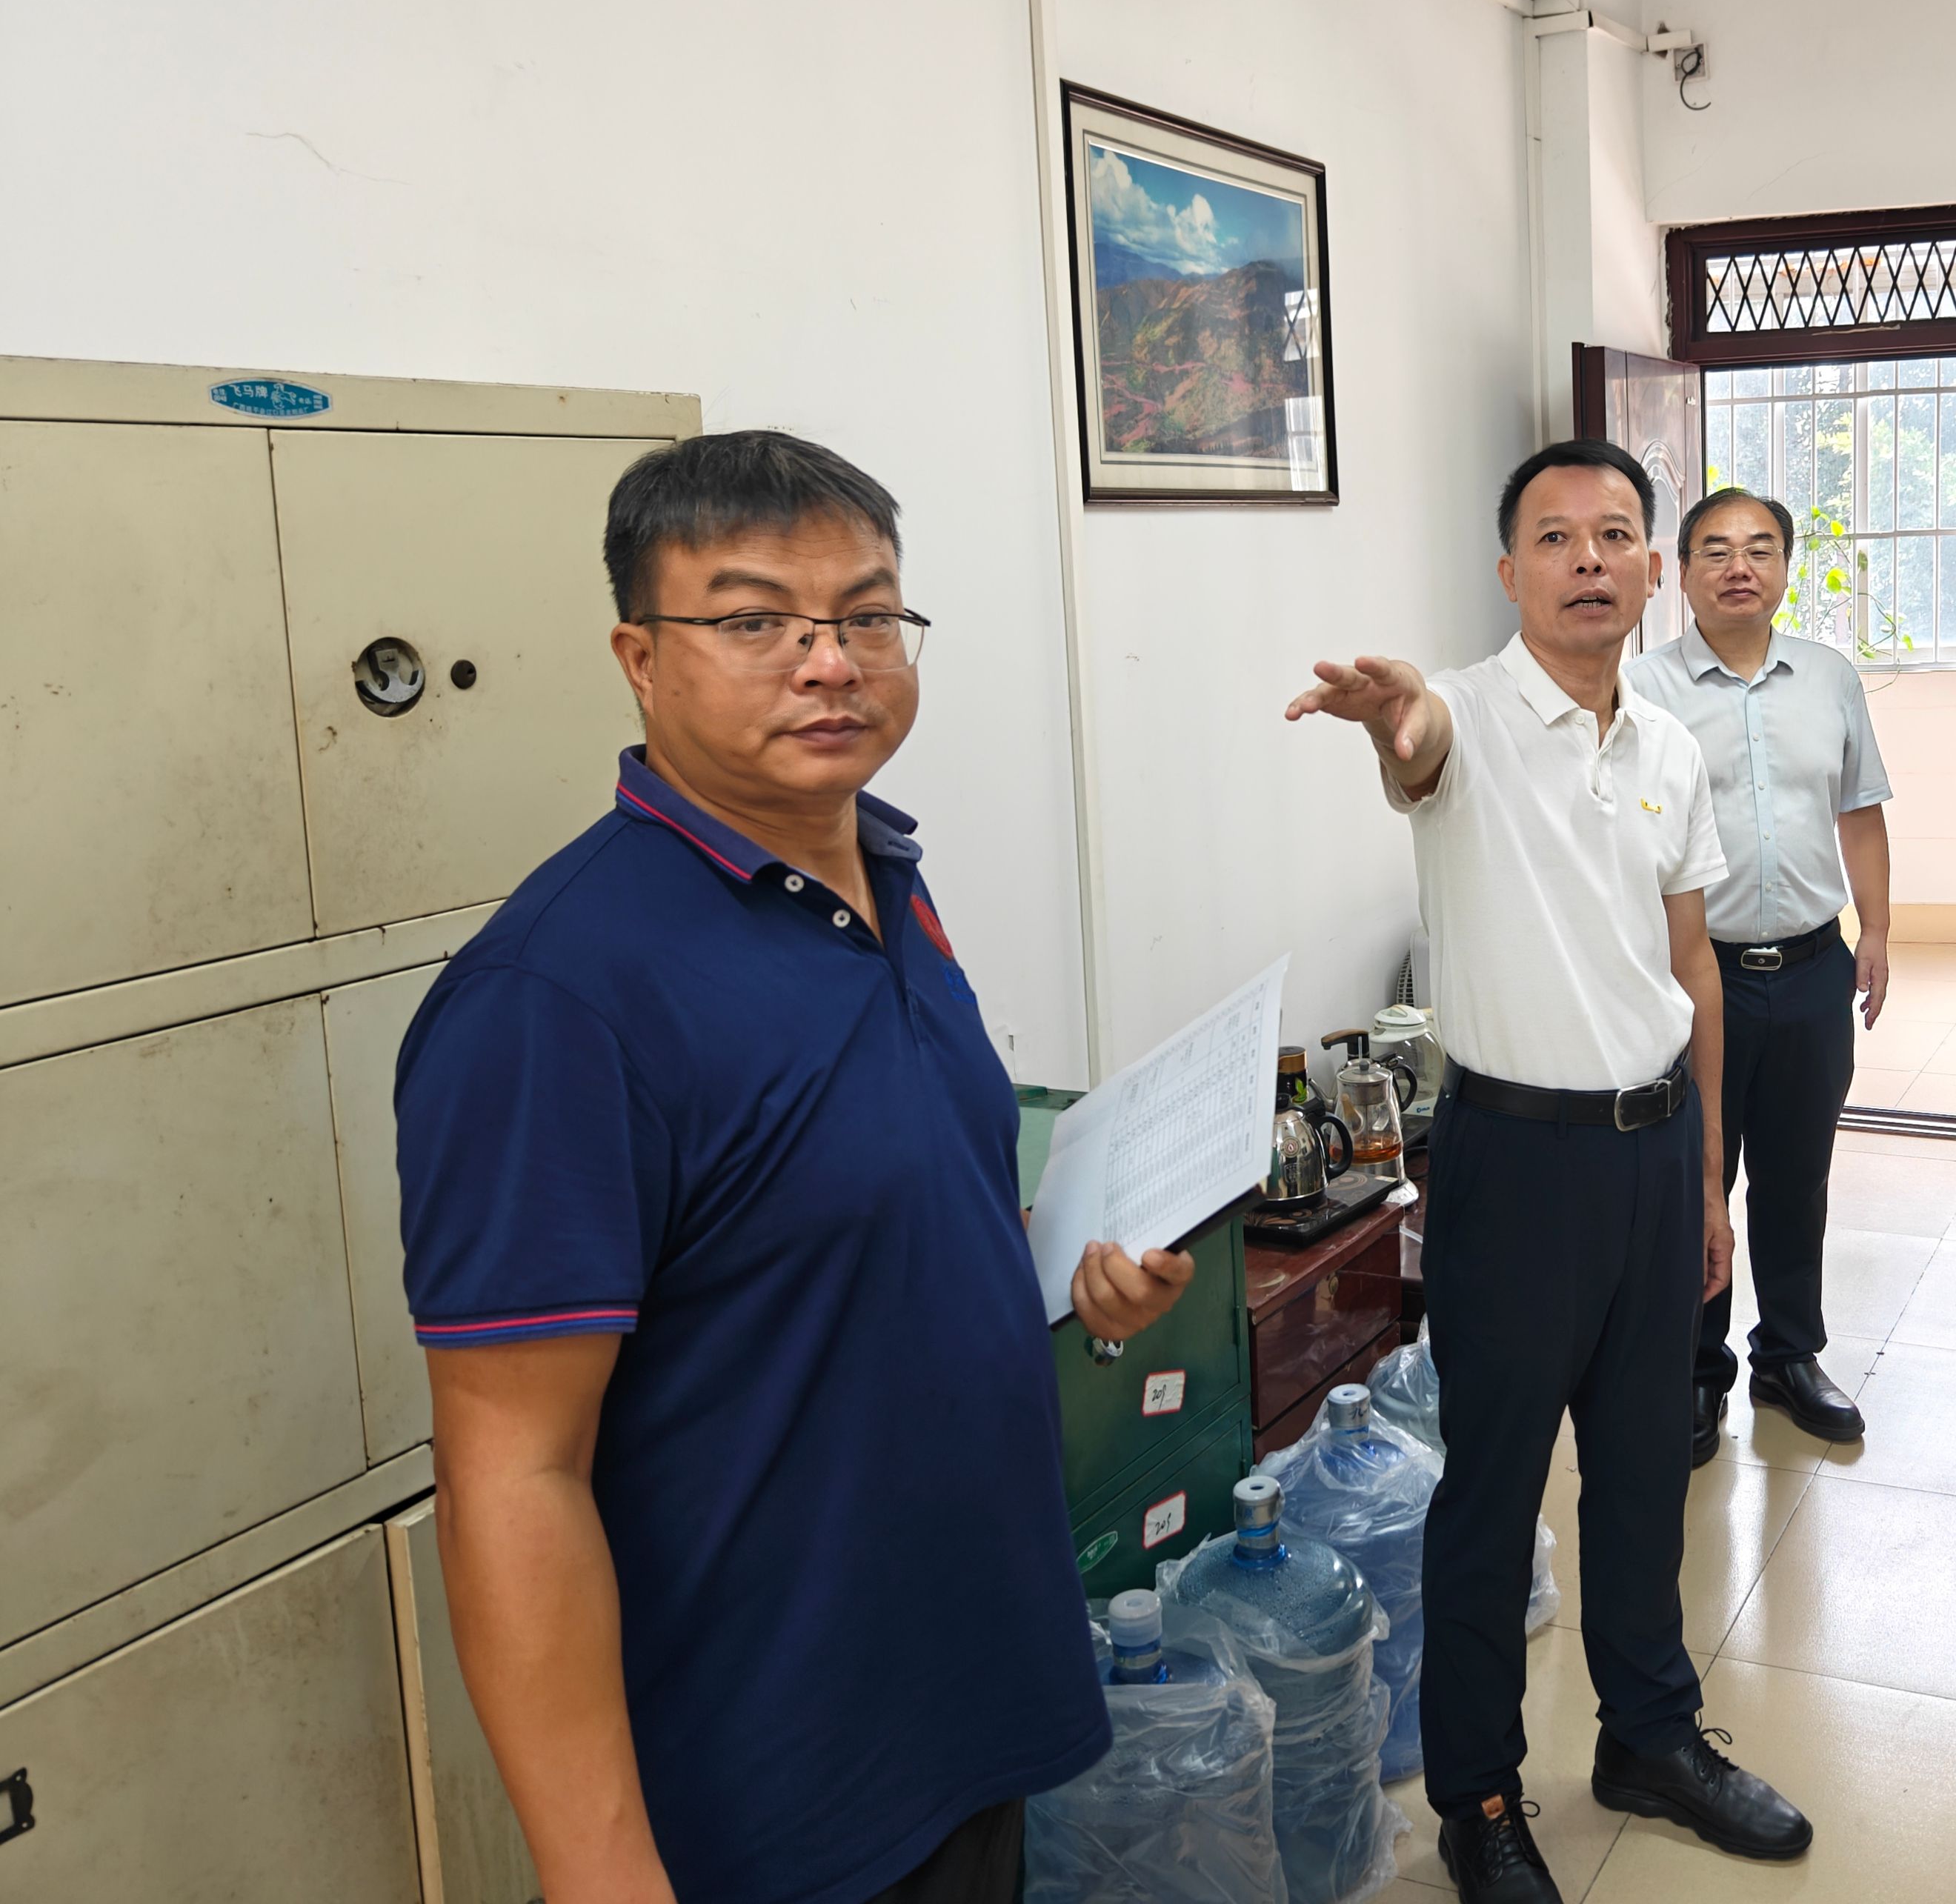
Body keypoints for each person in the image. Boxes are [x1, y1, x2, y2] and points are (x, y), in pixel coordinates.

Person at [394, 431, 1195, 1904]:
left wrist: (1065, 1271)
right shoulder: (556, 1000)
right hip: (769, 1783)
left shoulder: (883, 876)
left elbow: (849, 1223)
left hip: (957, 1699)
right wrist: (599, 1871)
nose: (829, 663)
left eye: (867, 615)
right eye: (755, 621)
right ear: (641, 659)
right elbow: (510, 1470)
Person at [1285, 440, 1815, 1903]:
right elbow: (1414, 747)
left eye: (1617, 532)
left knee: (1645, 1472)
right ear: (1509, 569)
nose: (1590, 557)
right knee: (1492, 1492)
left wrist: (1705, 1180)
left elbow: (1691, 968)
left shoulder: (1668, 747)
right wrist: (1392, 719)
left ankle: (1648, 1736)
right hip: (1515, 1163)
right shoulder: (1460, 711)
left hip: (1656, 1157)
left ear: (1650, 568)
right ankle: (1476, 1794)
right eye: (1557, 535)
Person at [1627, 487, 1892, 1460]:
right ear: (1680, 573)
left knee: (1795, 1176)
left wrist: (1878, 929)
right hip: (1696, 977)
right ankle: (1696, 1370)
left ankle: (1788, 1355)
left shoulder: (1828, 678)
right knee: (1694, 1176)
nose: (1739, 567)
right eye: (1715, 550)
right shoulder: (1642, 690)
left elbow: (1859, 810)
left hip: (1814, 968)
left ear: (1784, 565)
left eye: (1760, 548)